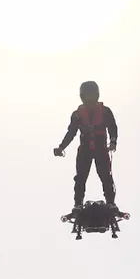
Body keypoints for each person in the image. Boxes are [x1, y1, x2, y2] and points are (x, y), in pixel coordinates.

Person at [53, 80, 118, 213]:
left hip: (101, 149)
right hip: (85, 150)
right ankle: (78, 204)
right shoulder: (77, 114)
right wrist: (61, 147)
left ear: (97, 95)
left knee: (106, 176)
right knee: (80, 177)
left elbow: (112, 127)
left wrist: (113, 141)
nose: (90, 99)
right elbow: (71, 132)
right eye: (87, 96)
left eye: (92, 95)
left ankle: (111, 203)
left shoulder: (105, 111)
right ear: (82, 97)